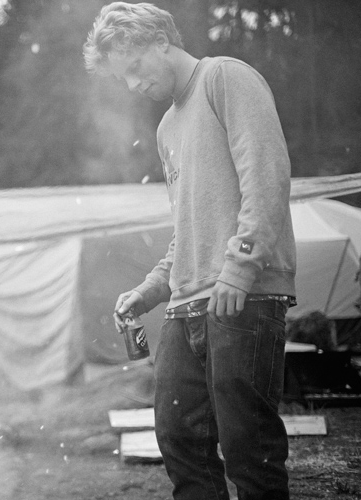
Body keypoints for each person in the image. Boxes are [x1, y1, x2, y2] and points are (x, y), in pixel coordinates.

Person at [83, 3, 297, 500]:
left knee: (249, 448)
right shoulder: (167, 128)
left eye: (135, 67)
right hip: (186, 305)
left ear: (161, 41)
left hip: (243, 297)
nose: (133, 85)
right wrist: (149, 290)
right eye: (122, 78)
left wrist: (240, 267)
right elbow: (187, 230)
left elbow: (266, 176)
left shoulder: (225, 78)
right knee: (179, 439)